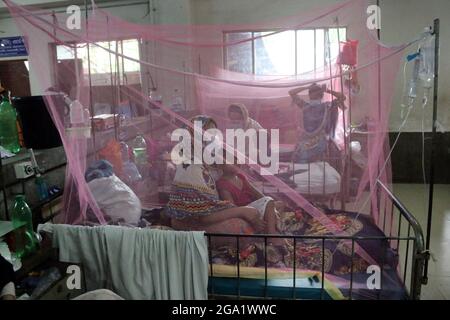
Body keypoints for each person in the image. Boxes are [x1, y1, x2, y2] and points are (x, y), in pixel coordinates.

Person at [166, 115, 267, 235]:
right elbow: (203, 217)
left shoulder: (206, 165)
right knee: (240, 226)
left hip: (204, 219)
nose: (213, 139)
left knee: (259, 213)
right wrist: (242, 211)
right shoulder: (191, 168)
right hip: (190, 226)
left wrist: (244, 209)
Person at [216, 164, 284, 245]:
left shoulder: (240, 177)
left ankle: (266, 228)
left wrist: (271, 206)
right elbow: (232, 207)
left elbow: (257, 193)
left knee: (280, 204)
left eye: (236, 160)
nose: (236, 163)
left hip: (254, 206)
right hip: (244, 210)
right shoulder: (222, 184)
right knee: (269, 202)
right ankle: (271, 236)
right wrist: (268, 204)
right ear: (221, 165)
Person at [288, 83, 346, 163]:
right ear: (322, 95)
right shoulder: (327, 106)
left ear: (309, 95)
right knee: (310, 159)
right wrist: (327, 91)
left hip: (311, 142)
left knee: (301, 157)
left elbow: (291, 92)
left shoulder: (305, 106)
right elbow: (342, 97)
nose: (313, 95)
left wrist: (307, 87)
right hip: (318, 142)